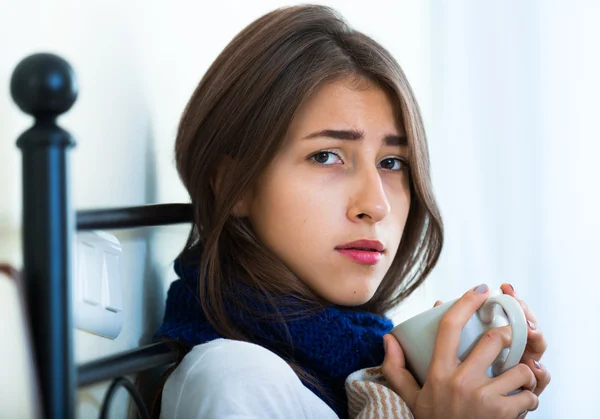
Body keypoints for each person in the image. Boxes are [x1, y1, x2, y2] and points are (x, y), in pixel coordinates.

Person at [153, 5, 550, 418]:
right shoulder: (236, 383)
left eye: (392, 162)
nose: (375, 205)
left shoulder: (369, 374)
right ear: (233, 186)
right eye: (326, 156)